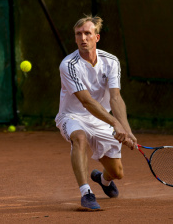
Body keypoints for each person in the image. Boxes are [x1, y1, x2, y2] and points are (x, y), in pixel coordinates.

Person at [55, 15, 137, 211]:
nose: (83, 38)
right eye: (78, 34)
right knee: (80, 138)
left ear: (96, 37)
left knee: (117, 173)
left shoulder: (111, 62)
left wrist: (126, 129)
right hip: (71, 116)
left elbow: (115, 98)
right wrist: (115, 123)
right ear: (75, 38)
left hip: (100, 120)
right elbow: (86, 101)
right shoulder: (69, 65)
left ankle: (102, 179)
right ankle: (86, 193)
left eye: (87, 33)